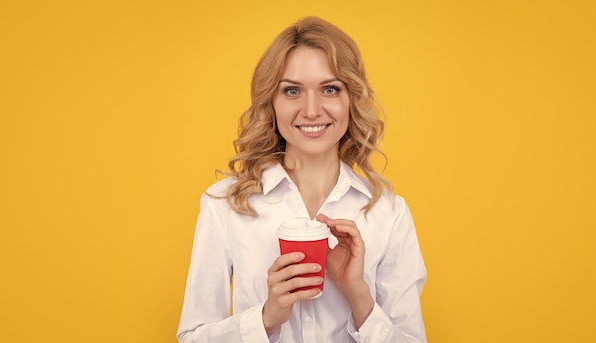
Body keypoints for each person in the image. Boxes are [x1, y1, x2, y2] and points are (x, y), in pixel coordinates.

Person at [177, 16, 427, 343]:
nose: (311, 110)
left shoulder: (388, 213)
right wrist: (266, 319)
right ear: (272, 102)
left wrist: (359, 296)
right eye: (292, 90)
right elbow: (192, 337)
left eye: (329, 89)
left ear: (351, 99)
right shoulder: (223, 205)